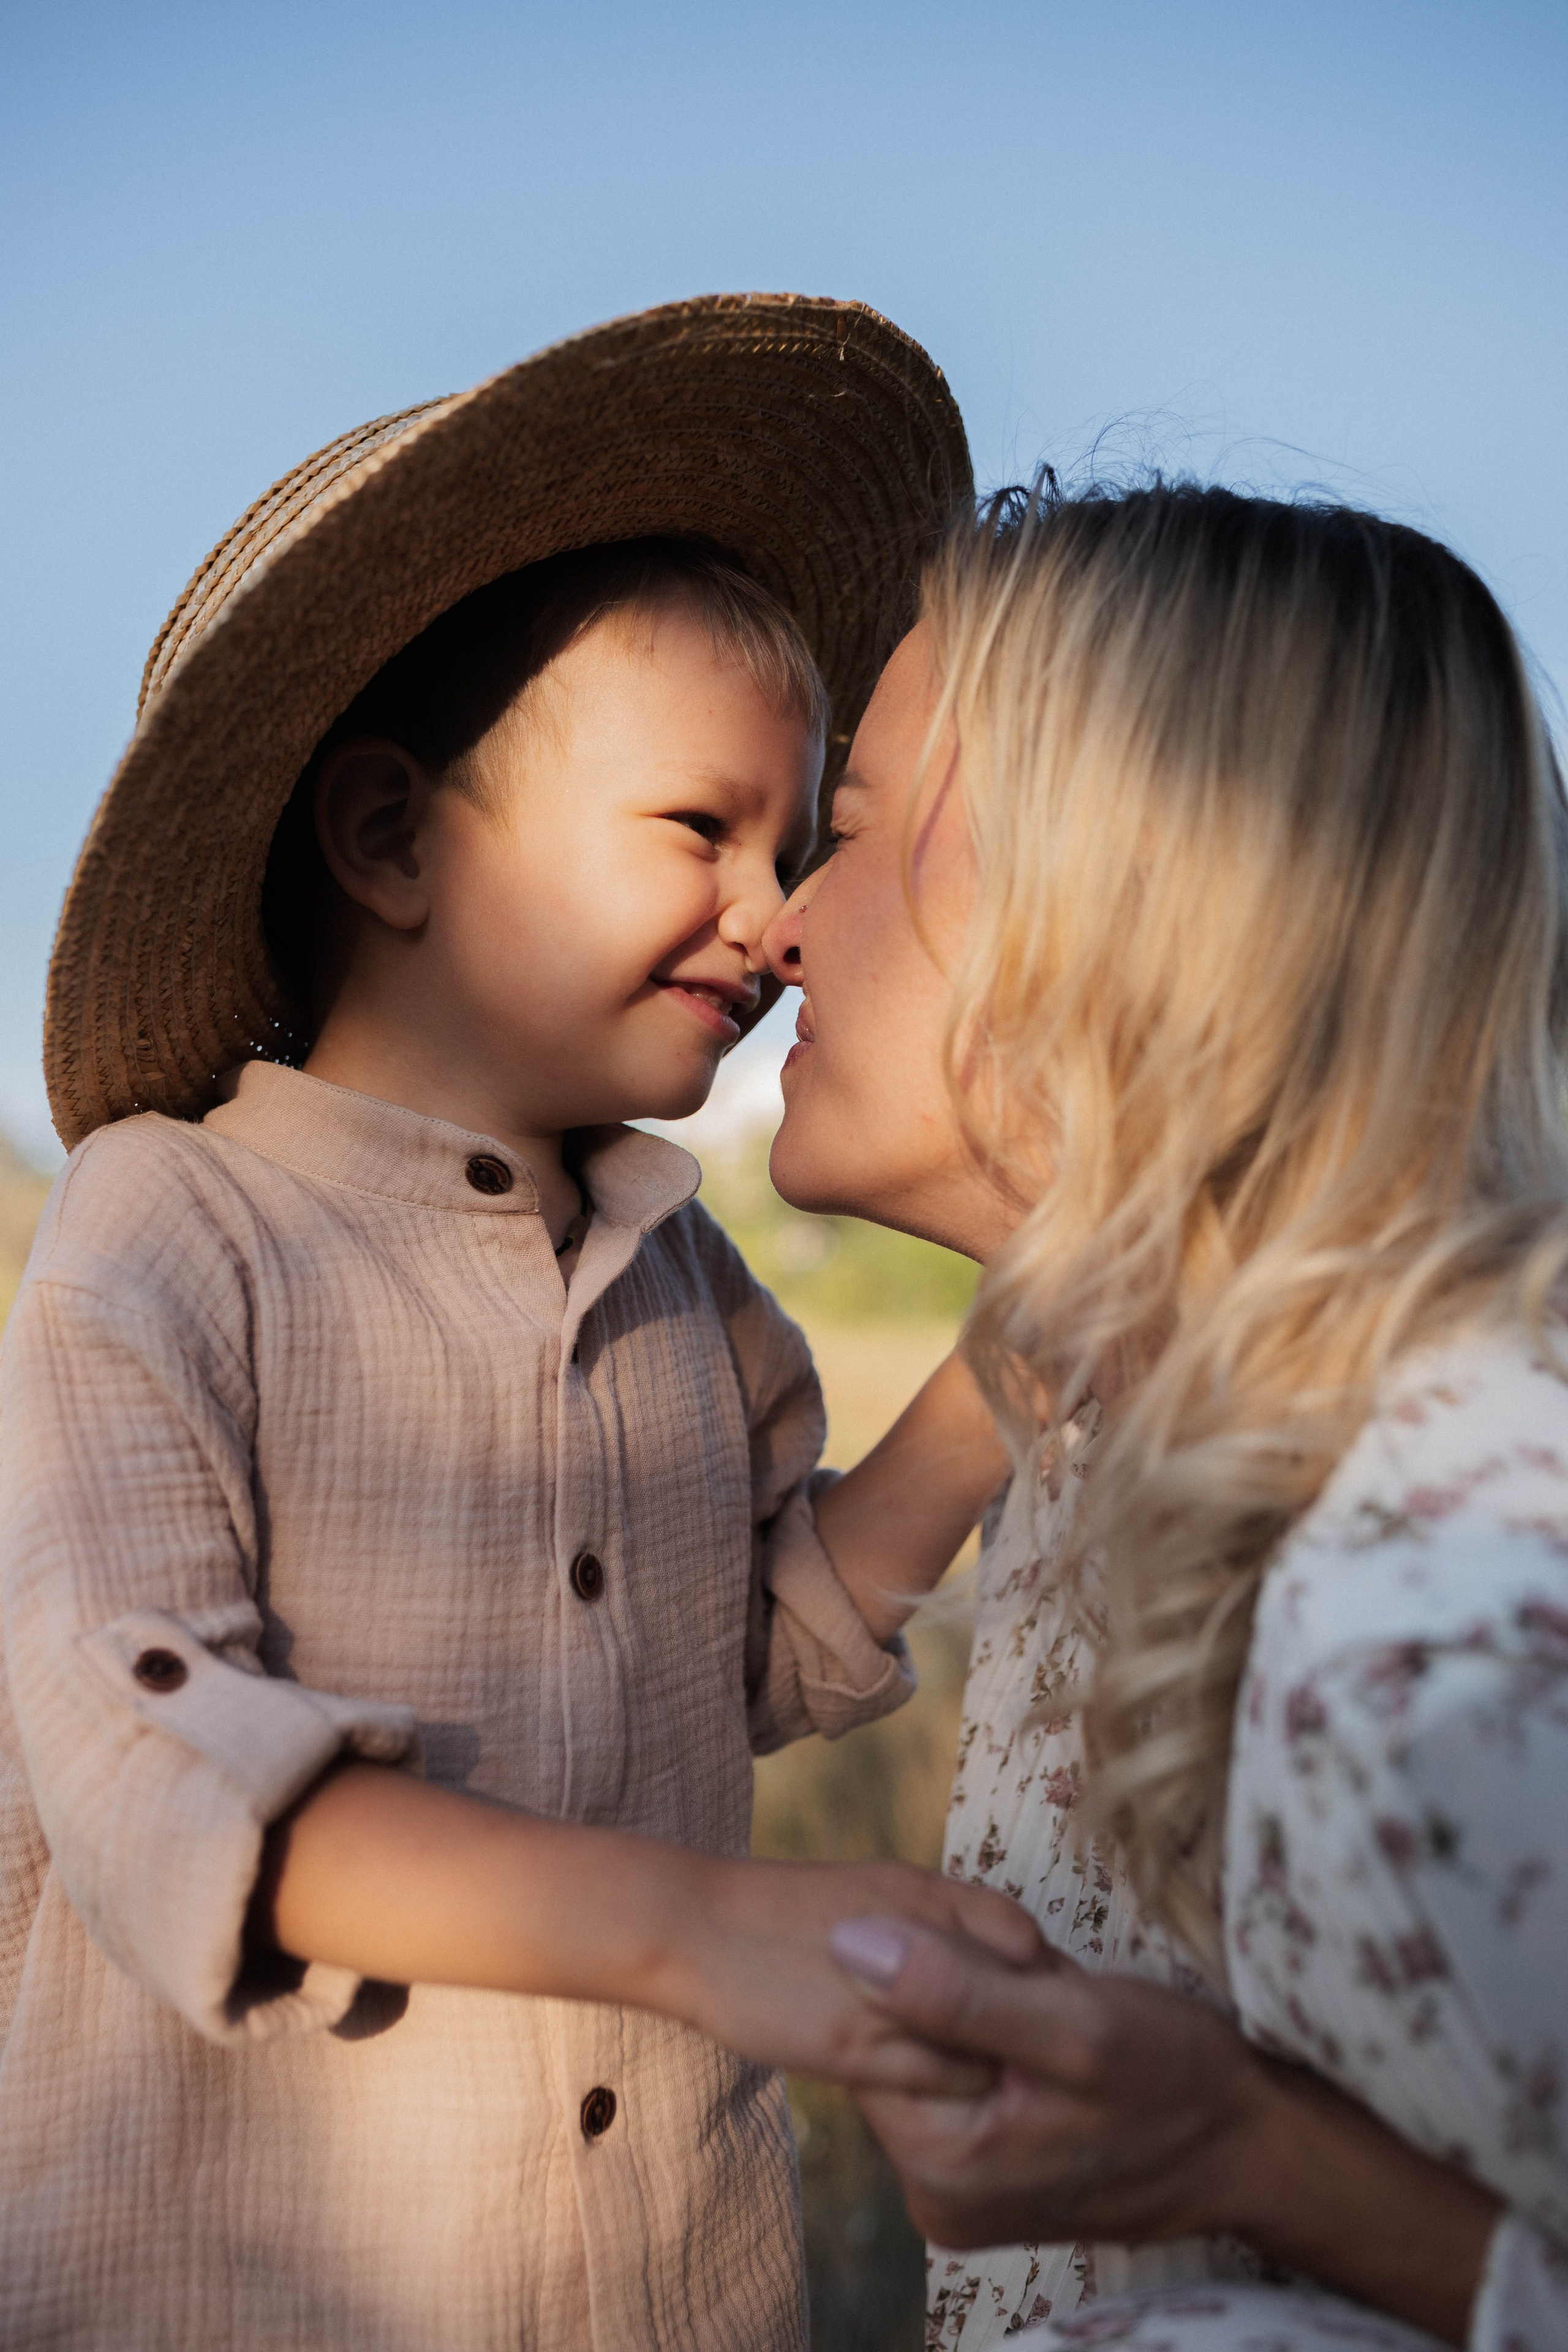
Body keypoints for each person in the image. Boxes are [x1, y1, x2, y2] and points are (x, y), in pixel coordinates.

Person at [0, 296, 1030, 2350]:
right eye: (699, 830)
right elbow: (147, 1761)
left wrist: (1025, 1355)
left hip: (661, 2284)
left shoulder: (682, 1279)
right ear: (391, 839)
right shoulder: (168, 1226)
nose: (777, 916)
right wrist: (700, 1928)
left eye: (799, 839)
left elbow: (758, 1645)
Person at [757, 481, 1568, 2350]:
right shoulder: (1106, 1419)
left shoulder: (1436, 1606)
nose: (786, 922)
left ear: (1126, 894)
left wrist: (1245, 2155)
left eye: (861, 831)